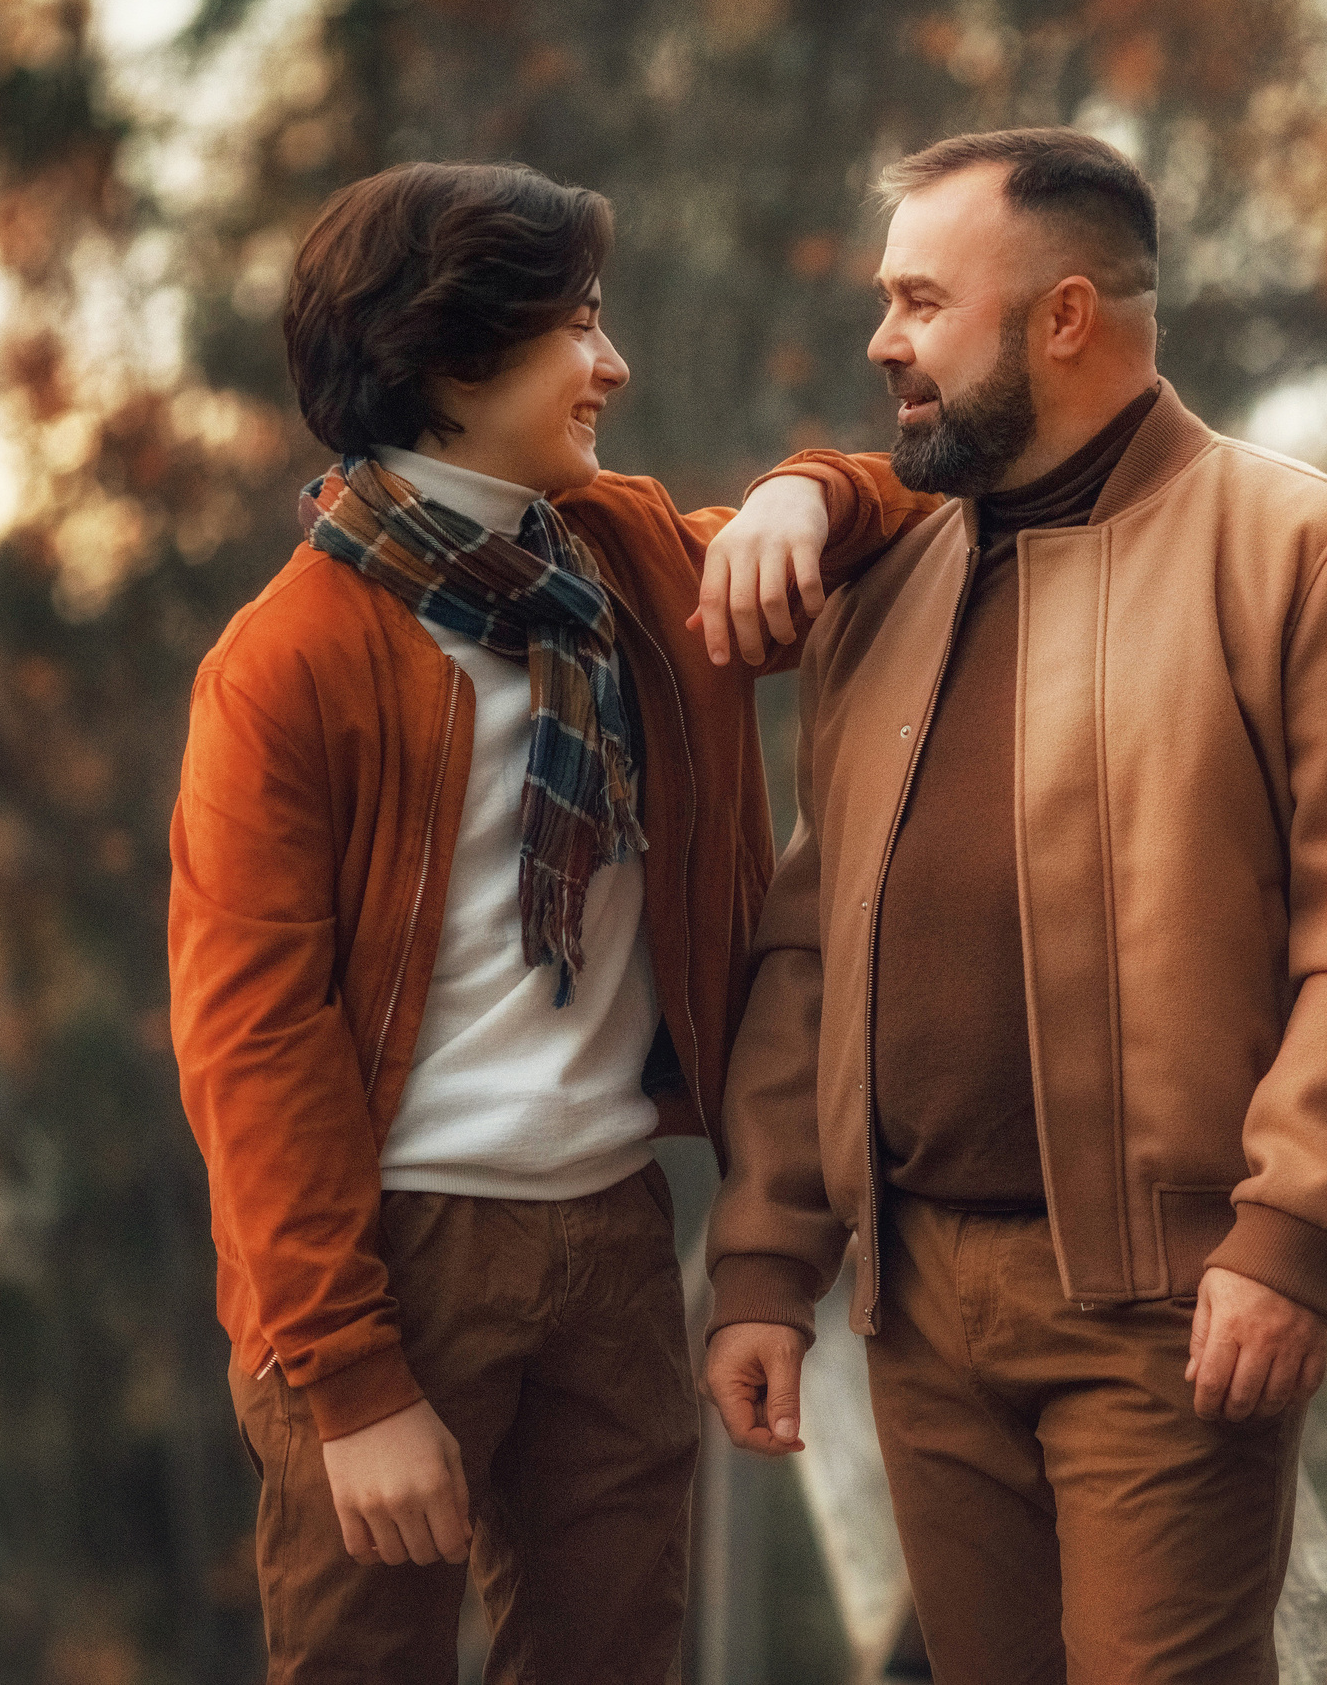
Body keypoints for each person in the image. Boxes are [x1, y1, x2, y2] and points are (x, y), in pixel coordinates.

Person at [699, 128, 1327, 1683]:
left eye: (922, 301)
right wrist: (765, 1263)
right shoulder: (886, 587)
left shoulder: (1314, 554)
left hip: (1161, 1314)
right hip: (913, 1312)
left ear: (1063, 317)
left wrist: (1290, 1235)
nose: (884, 341)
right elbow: (812, 950)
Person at [168, 158, 906, 1682]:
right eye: (577, 325)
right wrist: (354, 1383)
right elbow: (251, 1043)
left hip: (613, 1230)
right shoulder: (288, 662)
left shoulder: (623, 562)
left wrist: (801, 491)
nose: (614, 364)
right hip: (386, 1258)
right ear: (451, 358)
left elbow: (901, 510)